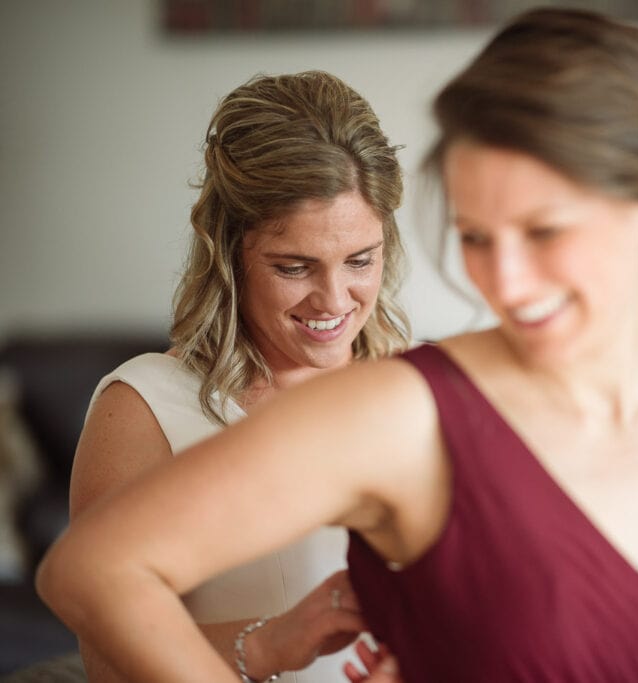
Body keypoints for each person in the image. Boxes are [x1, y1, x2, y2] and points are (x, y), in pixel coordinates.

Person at [39, 9, 638, 682]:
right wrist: (270, 643)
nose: (501, 282)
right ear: (230, 252)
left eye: (544, 231)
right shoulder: (405, 409)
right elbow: (97, 583)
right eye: (474, 236)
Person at [66, 71, 407, 682]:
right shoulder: (145, 408)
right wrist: (272, 643)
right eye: (294, 266)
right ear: (230, 254)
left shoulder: (417, 389)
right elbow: (107, 664)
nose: (334, 299)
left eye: (361, 260)